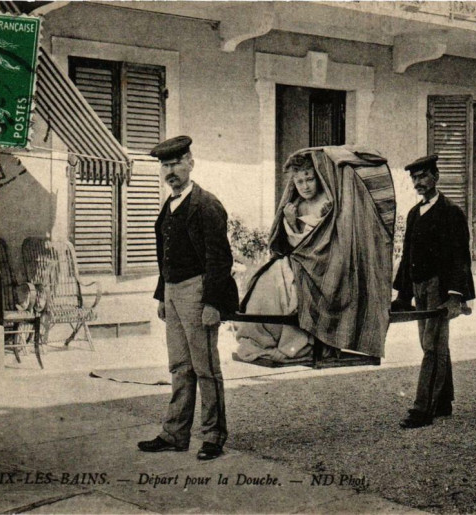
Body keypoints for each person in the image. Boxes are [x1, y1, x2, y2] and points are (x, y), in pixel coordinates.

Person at [138, 135, 239, 460]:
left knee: (206, 367)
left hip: (199, 291)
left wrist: (212, 303)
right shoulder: (169, 206)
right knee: (180, 366)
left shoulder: (206, 205)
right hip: (173, 291)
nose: (170, 171)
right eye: (165, 166)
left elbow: (219, 259)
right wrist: (162, 297)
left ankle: (213, 437)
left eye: (176, 164)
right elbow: (164, 255)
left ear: (190, 163)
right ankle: (174, 434)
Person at [392, 154, 475, 429]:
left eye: (424, 176)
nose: (419, 182)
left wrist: (454, 296)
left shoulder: (451, 212)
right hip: (420, 287)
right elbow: (406, 257)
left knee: (432, 347)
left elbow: (460, 257)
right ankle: (443, 402)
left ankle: (422, 409)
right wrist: (404, 295)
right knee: (434, 345)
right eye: (414, 178)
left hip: (440, 288)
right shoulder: (414, 214)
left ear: (436, 177)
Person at [235, 154, 332, 363]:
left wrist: (326, 219)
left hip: (323, 264)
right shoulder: (295, 205)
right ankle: (262, 339)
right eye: (299, 181)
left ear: (319, 178)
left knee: (288, 286)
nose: (305, 186)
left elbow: (325, 243)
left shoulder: (328, 202)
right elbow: (291, 244)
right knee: (264, 282)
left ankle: (293, 345)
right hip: (297, 261)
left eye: (309, 179)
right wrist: (291, 222)